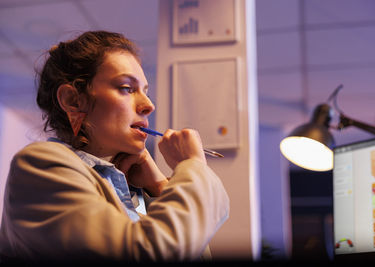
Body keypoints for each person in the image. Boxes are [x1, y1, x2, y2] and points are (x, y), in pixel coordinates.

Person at [0, 31, 229, 263]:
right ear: (73, 101)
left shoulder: (134, 190)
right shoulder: (41, 166)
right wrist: (193, 166)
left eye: (145, 91)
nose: (149, 105)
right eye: (127, 88)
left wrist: (159, 186)